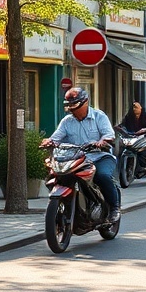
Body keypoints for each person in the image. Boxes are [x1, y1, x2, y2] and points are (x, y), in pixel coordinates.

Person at [42, 87, 120, 223]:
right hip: (75, 160)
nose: (72, 108)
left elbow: (109, 135)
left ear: (85, 102)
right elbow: (56, 137)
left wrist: (102, 141)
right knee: (55, 175)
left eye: (75, 105)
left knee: (103, 176)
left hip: (99, 157)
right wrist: (49, 141)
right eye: (69, 105)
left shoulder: (99, 116)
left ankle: (114, 208)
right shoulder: (67, 121)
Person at [119, 100, 146, 166]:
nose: (134, 109)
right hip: (132, 138)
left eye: (136, 107)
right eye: (133, 107)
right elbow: (122, 125)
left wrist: (144, 129)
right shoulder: (128, 117)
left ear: (141, 108)